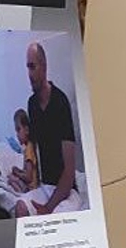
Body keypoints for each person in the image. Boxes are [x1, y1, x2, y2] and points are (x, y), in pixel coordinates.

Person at [17, 41, 83, 217]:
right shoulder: (32, 105)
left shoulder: (60, 102)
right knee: (21, 207)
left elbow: (69, 171)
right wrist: (22, 177)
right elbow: (31, 150)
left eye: (33, 67)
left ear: (44, 67)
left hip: (66, 191)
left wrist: (48, 207)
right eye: (27, 67)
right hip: (45, 187)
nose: (29, 74)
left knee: (55, 219)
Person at [10, 108, 37, 190]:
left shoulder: (29, 149)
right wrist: (19, 171)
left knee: (11, 179)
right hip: (30, 184)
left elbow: (29, 177)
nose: (17, 135)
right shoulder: (29, 147)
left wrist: (17, 173)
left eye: (18, 130)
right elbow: (28, 171)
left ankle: (22, 193)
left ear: (26, 130)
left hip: (31, 187)